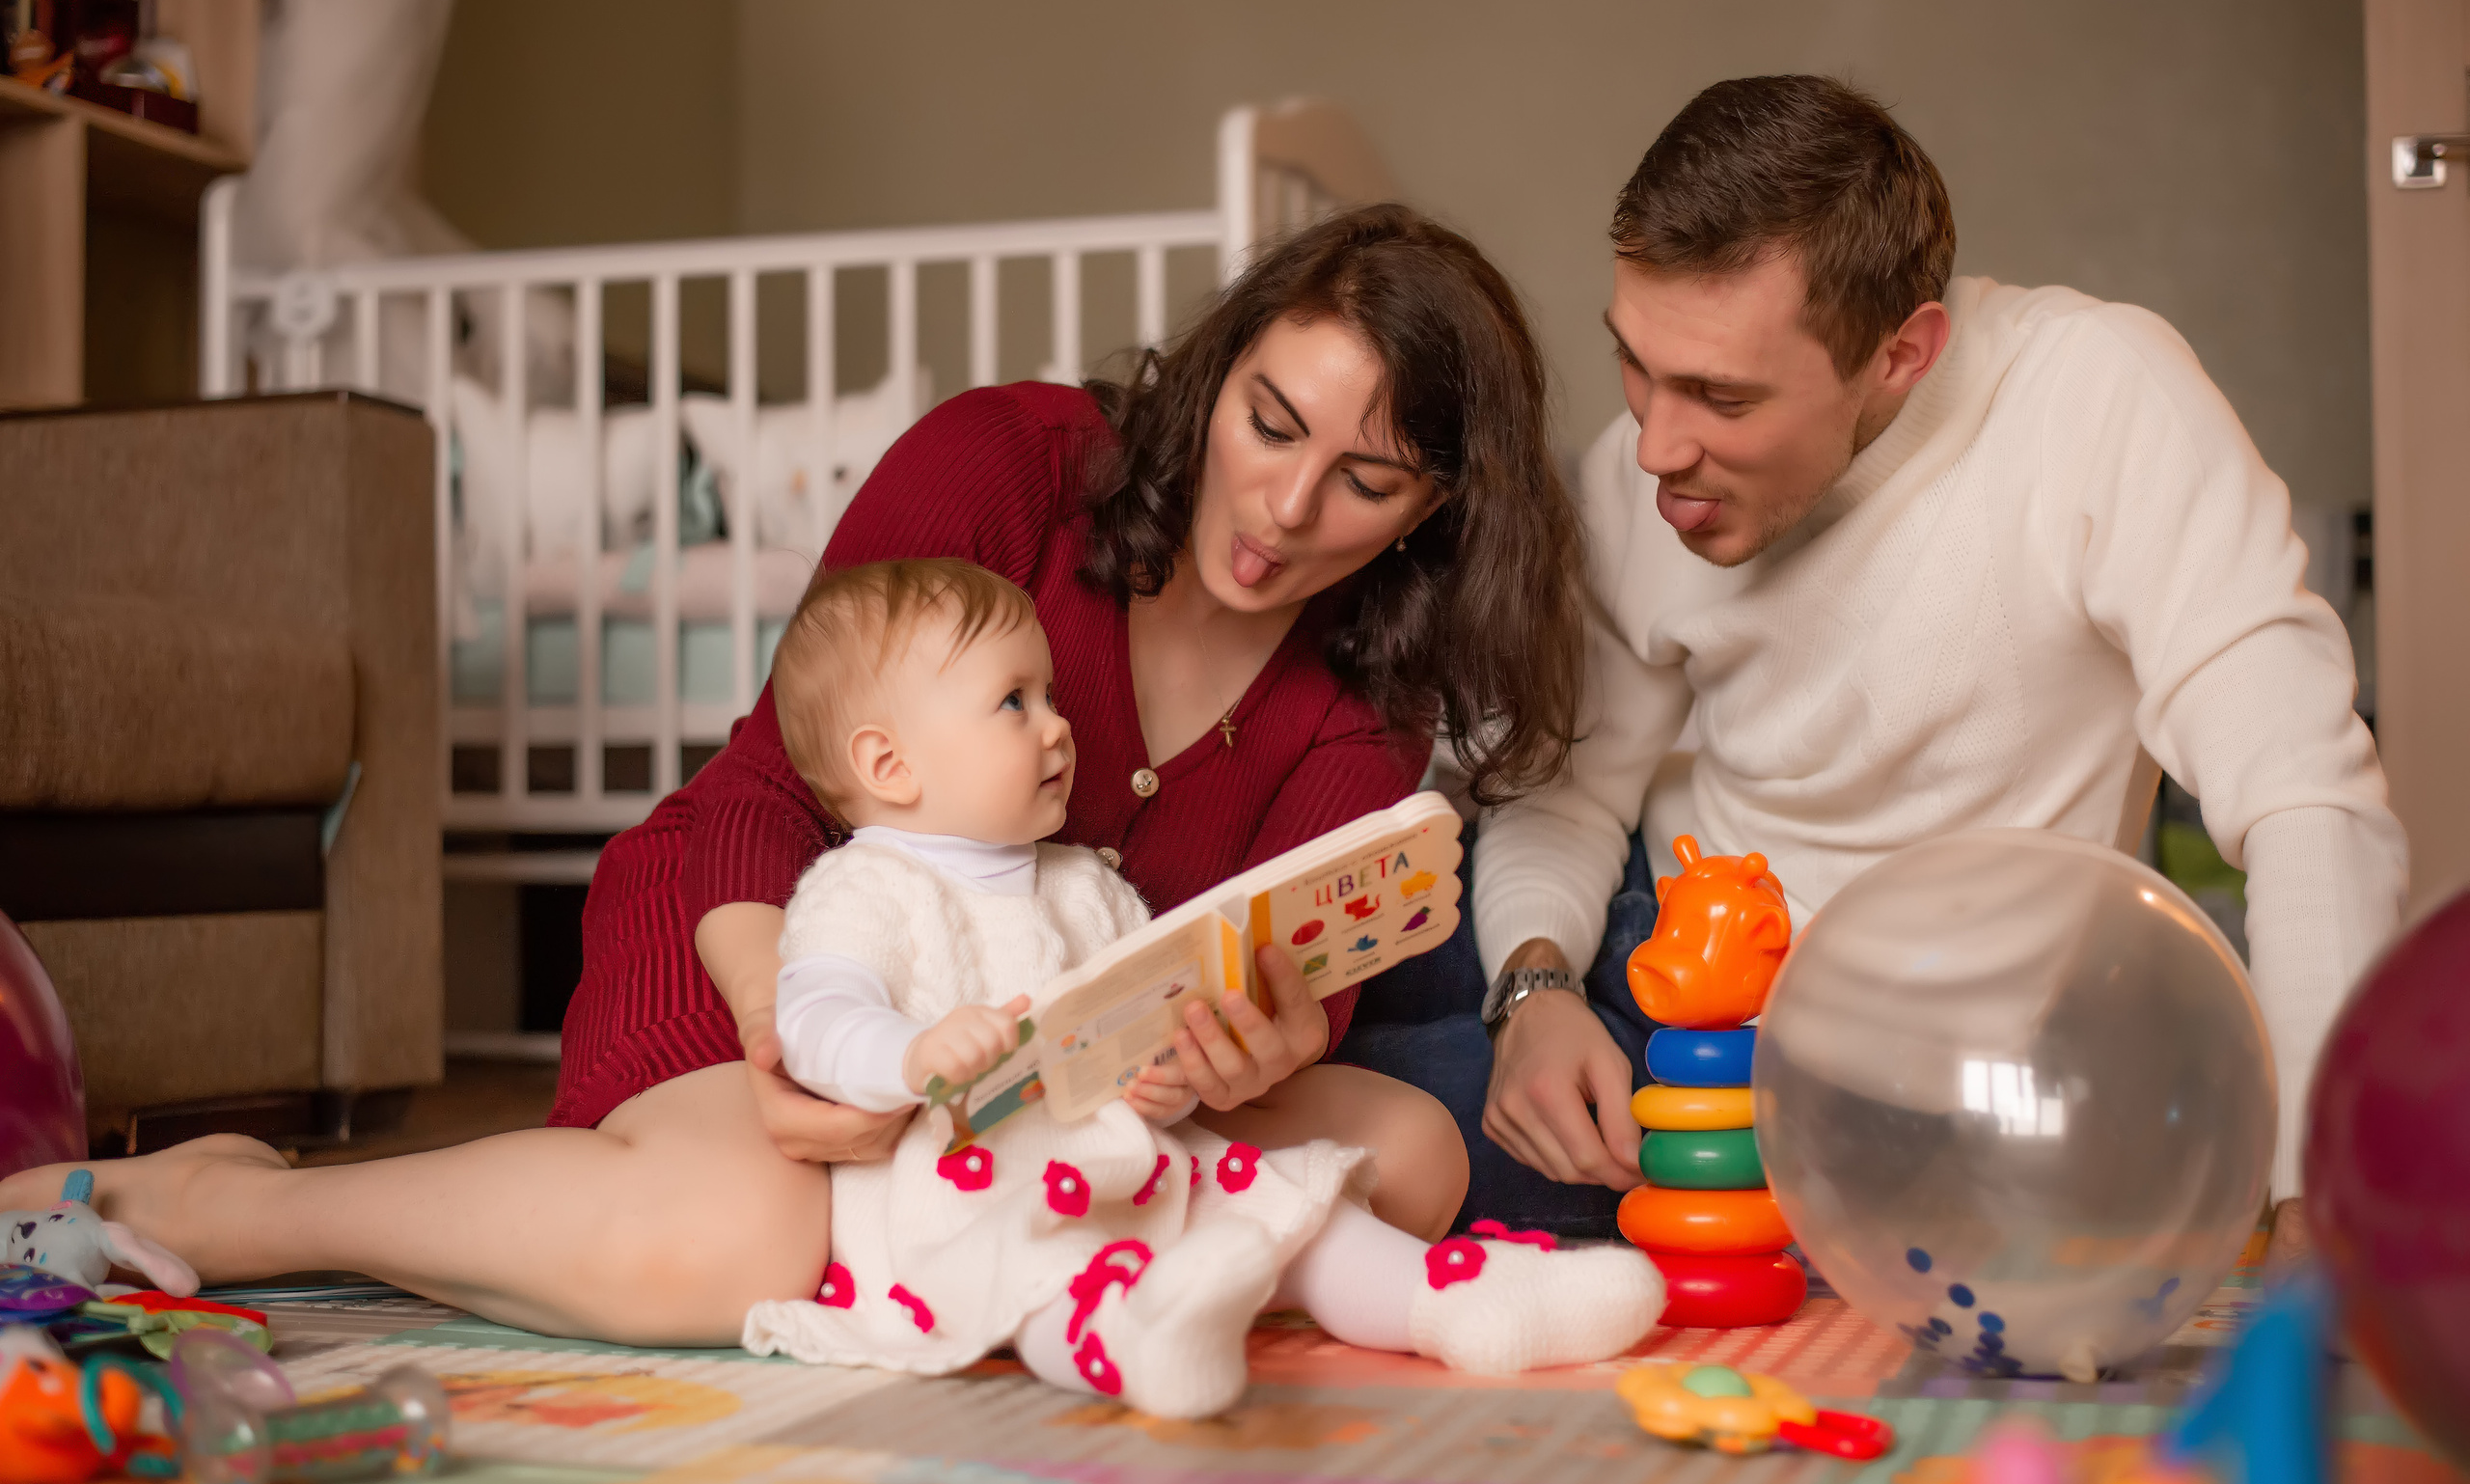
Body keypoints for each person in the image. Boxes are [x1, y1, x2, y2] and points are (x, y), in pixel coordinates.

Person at [0, 205, 1587, 1345]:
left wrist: (1248, 1049)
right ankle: (234, 1205)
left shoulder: (1366, 689)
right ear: (1222, 362)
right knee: (736, 1238)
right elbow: (768, 784)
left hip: (1026, 1074)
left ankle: (941, 1248)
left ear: (1430, 510)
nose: (1286, 502)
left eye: (1364, 479)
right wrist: (782, 1014)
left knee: (1415, 1146)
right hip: (771, 941)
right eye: (1268, 420)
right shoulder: (1007, 464)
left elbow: (1284, 983)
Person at [1348, 75, 2404, 1242]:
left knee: (1375, 1137)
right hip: (1648, 947)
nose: (1654, 444)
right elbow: (1568, 792)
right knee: (1321, 969)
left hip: (1899, 1068)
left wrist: (2323, 1191)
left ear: (1902, 355)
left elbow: (2308, 796)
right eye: (1636, 363)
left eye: (1720, 395)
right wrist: (1531, 988)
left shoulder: (2096, 403)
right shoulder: (1635, 472)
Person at [741, 557, 1660, 1419]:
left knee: (1291, 1208)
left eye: (1049, 694)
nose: (1058, 725)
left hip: (1134, 1157)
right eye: (1012, 703)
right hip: (967, 1194)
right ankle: (1145, 1341)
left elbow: (1146, 1027)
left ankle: (1453, 1298)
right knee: (1047, 1276)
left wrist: (1169, 1075)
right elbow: (814, 1017)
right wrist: (905, 1055)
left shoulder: (1080, 882)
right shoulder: (865, 887)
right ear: (888, 765)